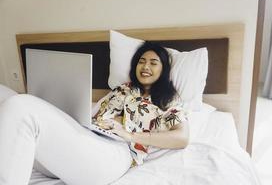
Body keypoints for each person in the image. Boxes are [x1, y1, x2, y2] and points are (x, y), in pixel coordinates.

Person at [0, 42, 189, 185]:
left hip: (115, 150)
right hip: (84, 138)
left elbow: (182, 137)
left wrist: (130, 135)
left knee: (19, 106)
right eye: (141, 61)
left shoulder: (167, 99)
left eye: (153, 63)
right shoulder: (123, 89)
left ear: (163, 69)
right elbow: (92, 115)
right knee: (3, 93)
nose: (145, 66)